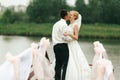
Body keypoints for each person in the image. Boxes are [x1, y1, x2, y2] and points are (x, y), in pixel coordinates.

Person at [63, 10, 91, 80]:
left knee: (74, 60)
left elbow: (76, 37)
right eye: (70, 15)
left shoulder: (75, 25)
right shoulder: (69, 25)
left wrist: (69, 34)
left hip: (73, 45)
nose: (69, 16)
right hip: (68, 44)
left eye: (71, 15)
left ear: (75, 17)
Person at [52, 9, 70, 80]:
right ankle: (63, 78)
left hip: (55, 46)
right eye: (68, 15)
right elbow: (65, 37)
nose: (69, 16)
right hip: (63, 46)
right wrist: (72, 38)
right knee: (66, 64)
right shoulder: (64, 25)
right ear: (65, 16)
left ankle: (57, 78)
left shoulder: (56, 24)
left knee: (58, 64)